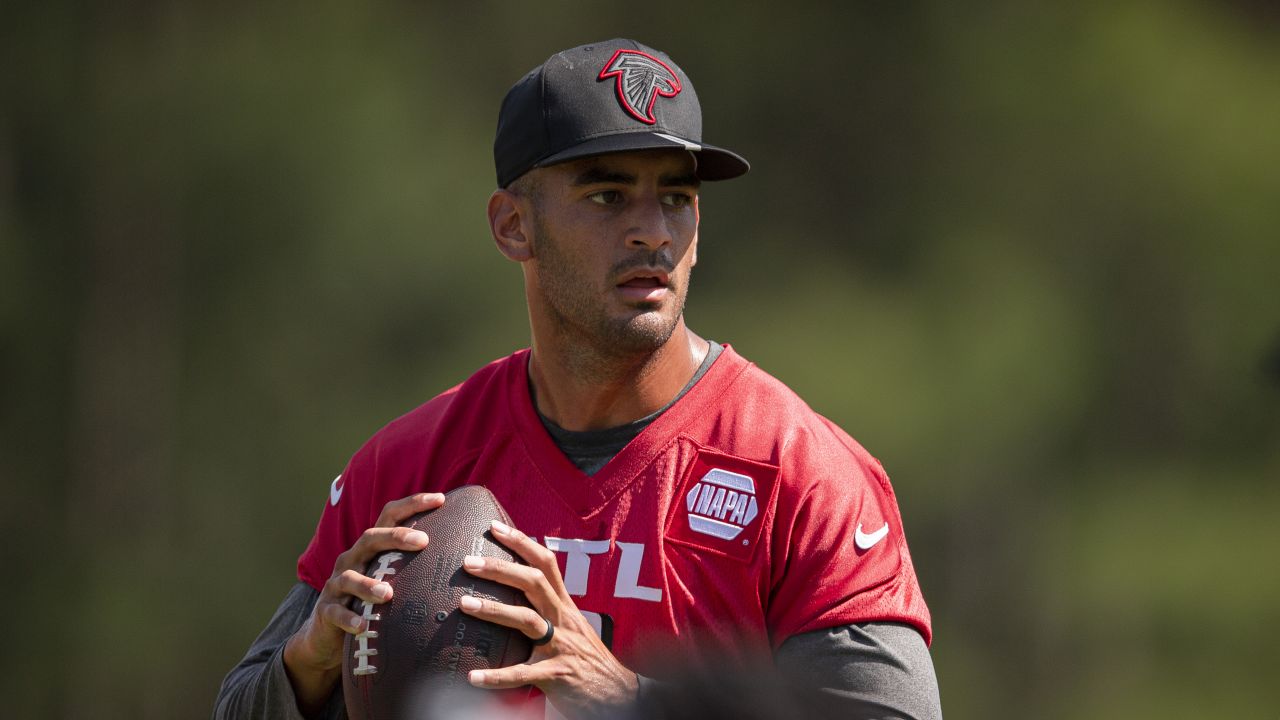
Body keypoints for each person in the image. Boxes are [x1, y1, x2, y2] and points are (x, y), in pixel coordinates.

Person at [214, 38, 942, 720]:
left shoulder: (800, 472)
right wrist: (307, 664)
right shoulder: (409, 470)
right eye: (607, 196)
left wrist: (623, 697)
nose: (653, 231)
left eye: (677, 198)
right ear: (512, 227)